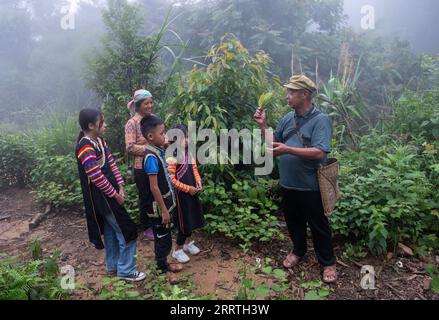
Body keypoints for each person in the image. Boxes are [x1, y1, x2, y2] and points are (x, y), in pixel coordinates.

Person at [253, 75, 337, 283]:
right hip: (288, 183)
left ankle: (328, 262)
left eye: (292, 92)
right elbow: (275, 144)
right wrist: (264, 127)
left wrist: (288, 149)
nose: (287, 95)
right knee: (293, 221)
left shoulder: (320, 120)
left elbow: (320, 152)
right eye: (288, 91)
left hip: (311, 186)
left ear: (305, 94)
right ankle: (298, 251)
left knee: (318, 225)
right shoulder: (287, 119)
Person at [76, 108, 145, 282]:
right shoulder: (85, 146)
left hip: (110, 193)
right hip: (102, 198)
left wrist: (120, 185)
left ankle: (113, 266)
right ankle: (127, 270)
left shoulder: (99, 141)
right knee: (126, 229)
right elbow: (96, 176)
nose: (105, 125)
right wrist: (115, 195)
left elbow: (111, 163)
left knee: (111, 230)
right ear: (91, 125)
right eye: (102, 122)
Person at [140, 115, 183, 284]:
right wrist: (164, 209)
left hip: (165, 204)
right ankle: (162, 269)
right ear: (150, 137)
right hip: (158, 208)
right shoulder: (150, 157)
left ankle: (164, 263)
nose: (164, 136)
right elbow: (154, 187)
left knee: (165, 236)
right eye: (162, 133)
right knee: (162, 238)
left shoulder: (157, 150)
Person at [166, 124, 206, 264]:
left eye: (188, 137)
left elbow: (194, 168)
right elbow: (171, 179)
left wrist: (198, 181)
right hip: (181, 195)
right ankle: (177, 250)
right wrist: (186, 188)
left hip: (192, 193)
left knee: (193, 218)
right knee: (184, 223)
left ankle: (188, 244)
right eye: (184, 138)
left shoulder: (188, 152)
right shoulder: (172, 156)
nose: (188, 140)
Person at [125, 89, 156, 241]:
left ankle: (157, 222)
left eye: (151, 102)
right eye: (146, 103)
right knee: (146, 196)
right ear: (138, 105)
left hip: (156, 164)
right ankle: (147, 227)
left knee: (157, 193)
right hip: (141, 166)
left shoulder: (154, 119)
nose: (150, 105)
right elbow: (130, 147)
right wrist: (150, 149)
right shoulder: (132, 123)